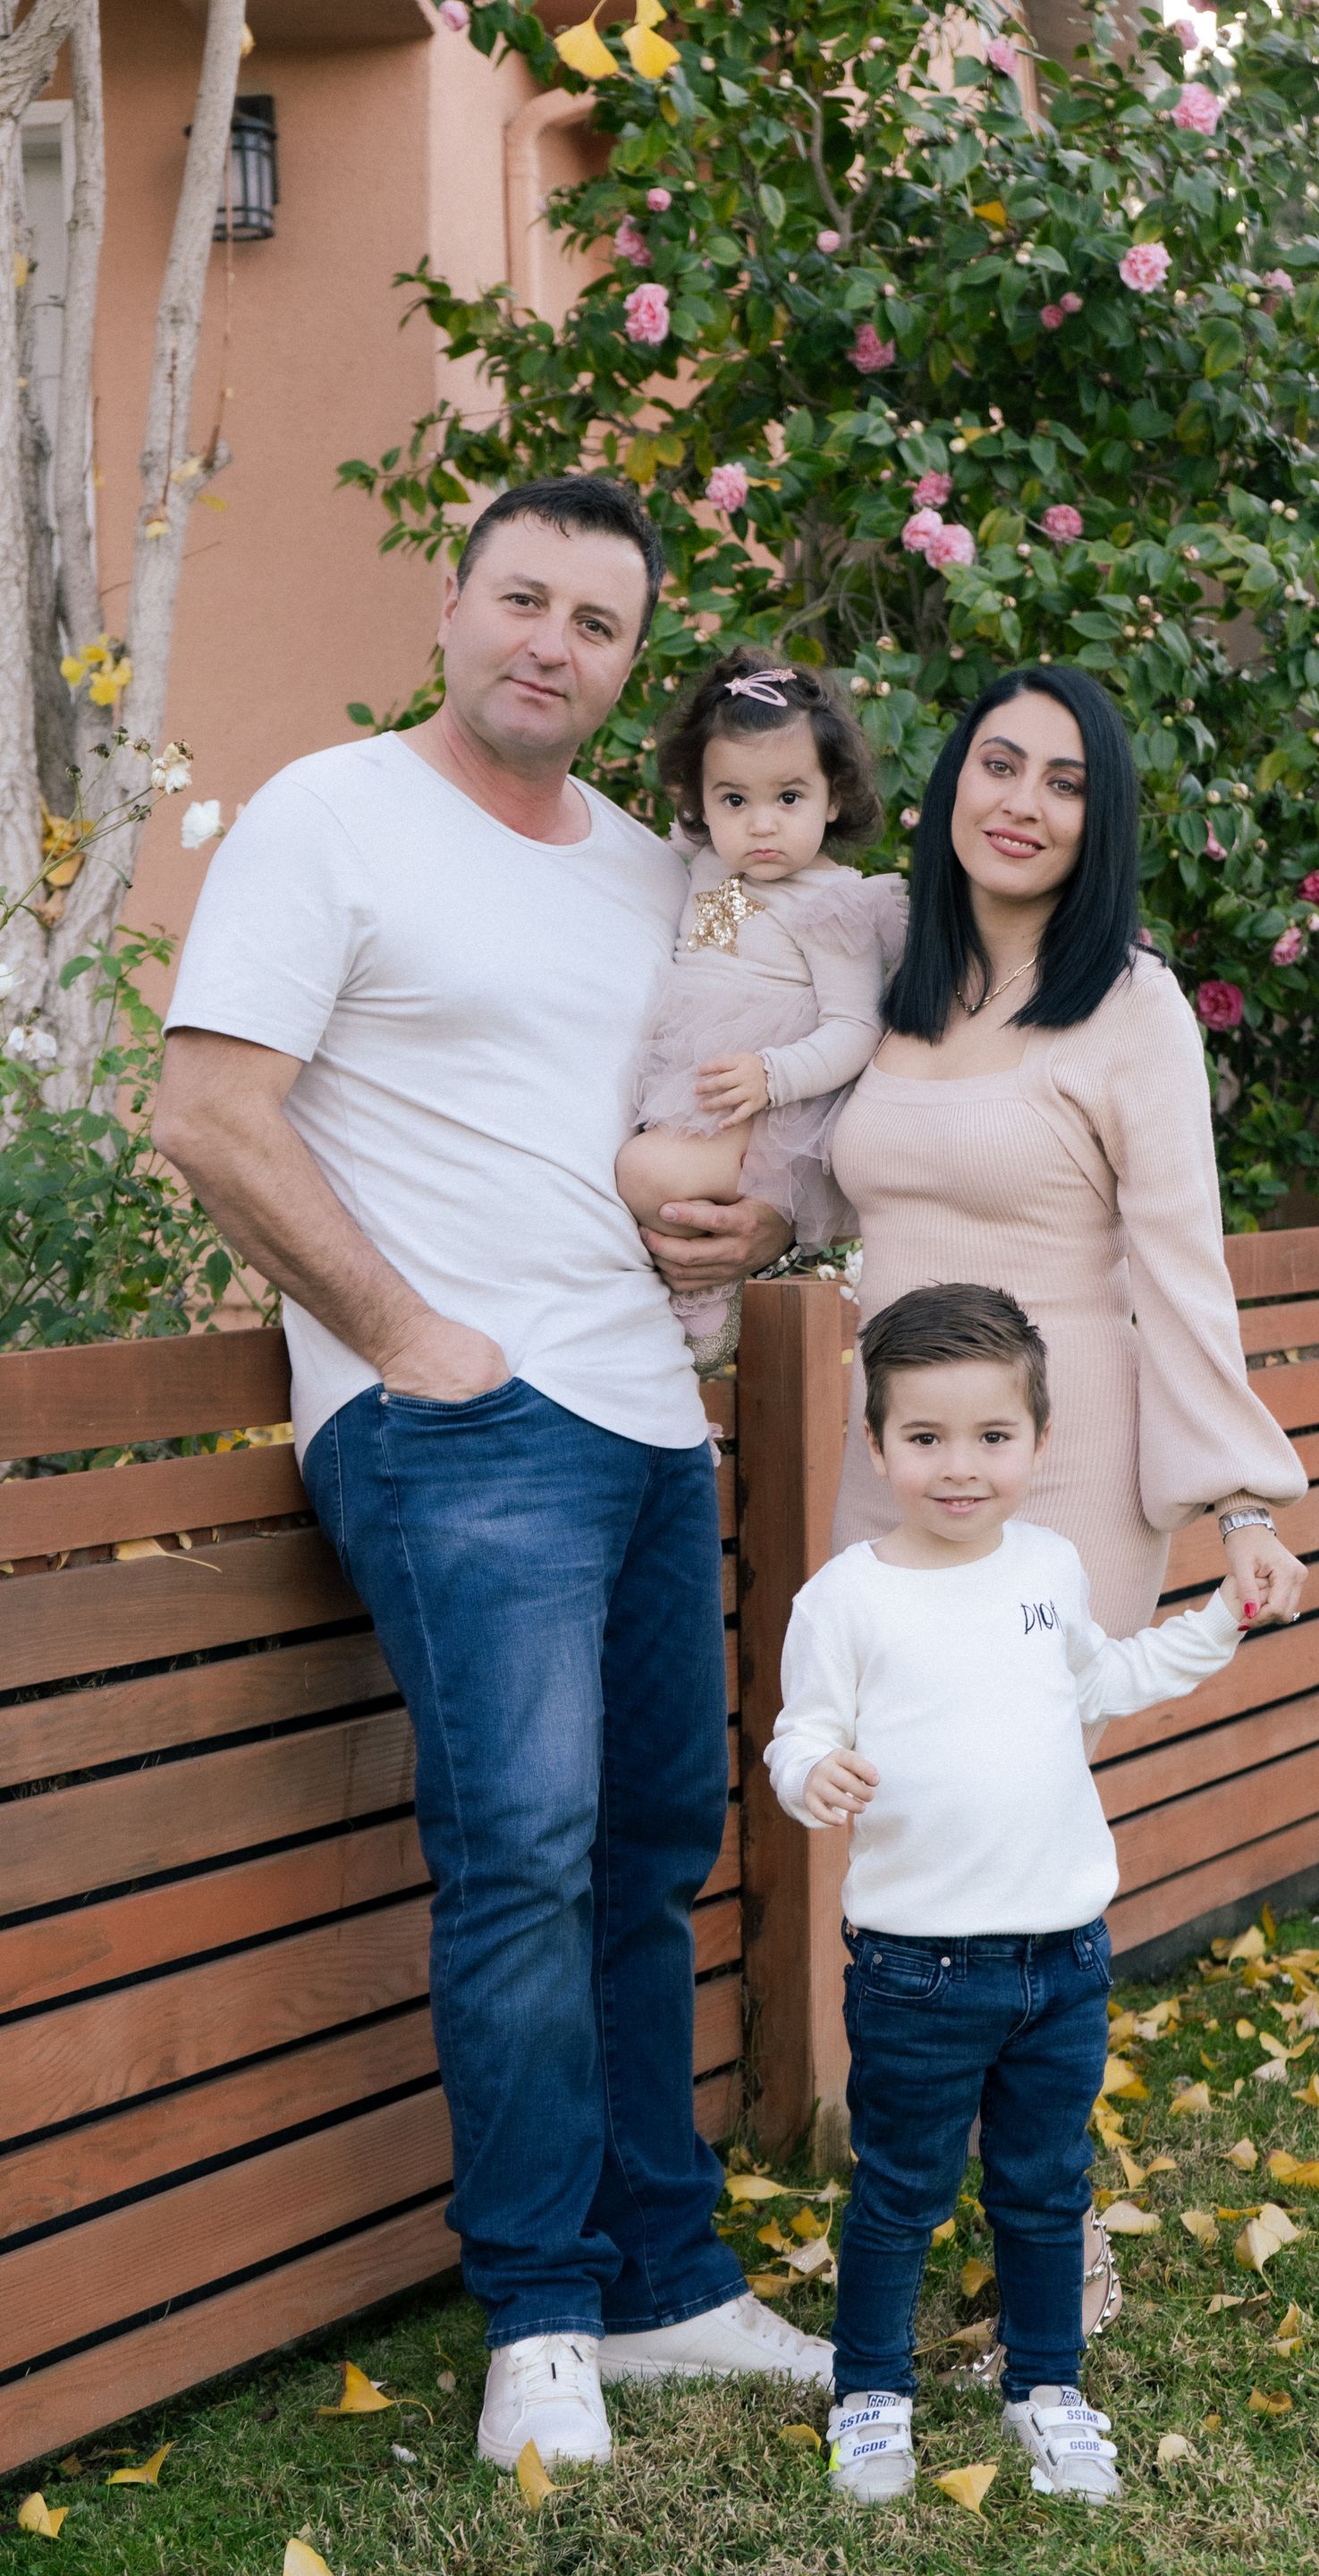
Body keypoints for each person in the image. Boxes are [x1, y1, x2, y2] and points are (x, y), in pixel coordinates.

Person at [153, 475, 833, 2475]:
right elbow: (208, 1112)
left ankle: (664, 2283)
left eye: (598, 623)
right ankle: (539, 2314)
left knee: (647, 1851)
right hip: (460, 1423)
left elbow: (721, 1112)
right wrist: (407, 1337)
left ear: (630, 668)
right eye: (523, 598)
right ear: (452, 610)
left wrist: (763, 1231)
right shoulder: (332, 814)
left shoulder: (655, 870)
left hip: (649, 1423)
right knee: (527, 1854)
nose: (553, 642)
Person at [766, 1284, 1249, 2508]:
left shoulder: (1049, 1565)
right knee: (901, 2194)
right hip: (916, 1971)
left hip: (1063, 1959)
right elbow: (799, 1730)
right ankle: (871, 2395)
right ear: (877, 1443)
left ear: (1037, 1440)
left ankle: (1046, 2388)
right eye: (925, 1437)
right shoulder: (848, 1597)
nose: (960, 1467)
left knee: (1044, 2187)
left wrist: (1221, 1621)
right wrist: (812, 1772)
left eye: (993, 1436)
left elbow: (1109, 1679)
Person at [828, 665, 1307, 1638]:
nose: (1022, 804)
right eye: (1000, 766)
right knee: (874, 1731)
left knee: (1025, 1737)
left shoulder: (1133, 1007)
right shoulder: (885, 975)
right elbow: (733, 921)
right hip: (894, 1464)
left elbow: (1181, 1266)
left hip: (1060, 1467)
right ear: (954, 781)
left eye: (1065, 784)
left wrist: (1243, 1506)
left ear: (1102, 821)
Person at [617, 649, 904, 1368]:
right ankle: (691, 1278)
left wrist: (771, 1076)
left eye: (789, 798)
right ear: (701, 802)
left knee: (647, 1175)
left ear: (833, 798)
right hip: (694, 1065)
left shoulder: (832, 904)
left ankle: (707, 1286)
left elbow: (855, 1027)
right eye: (734, 800)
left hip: (766, 1096)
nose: (761, 825)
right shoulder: (712, 860)